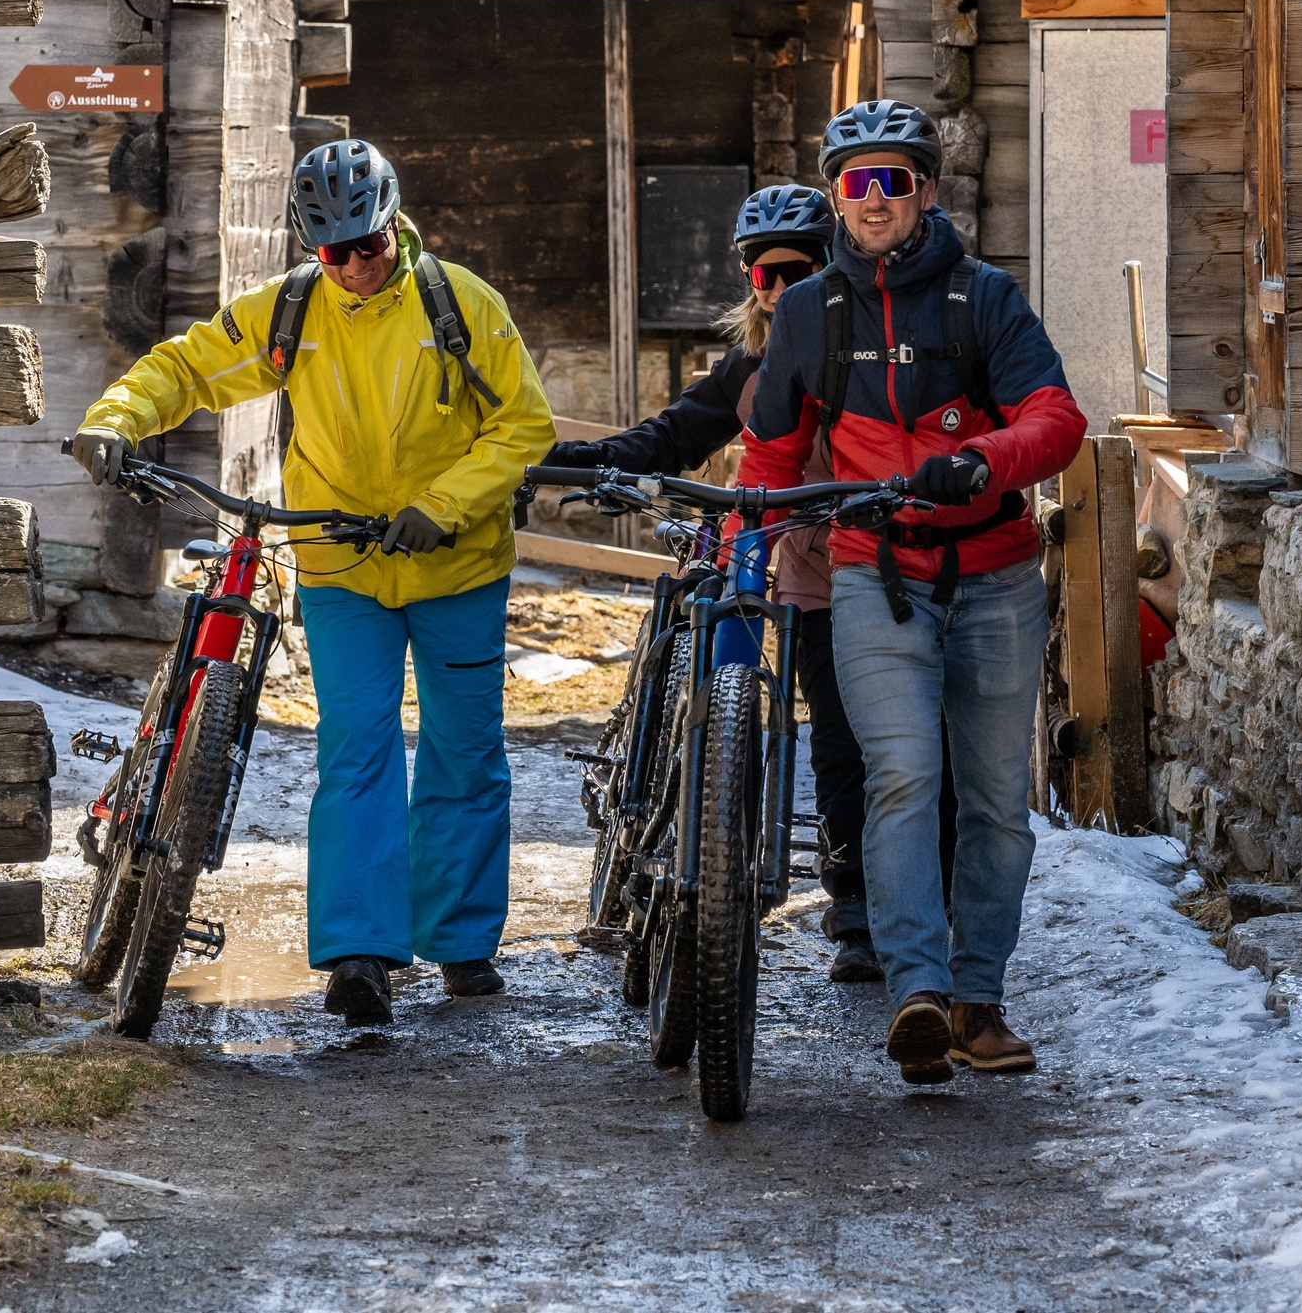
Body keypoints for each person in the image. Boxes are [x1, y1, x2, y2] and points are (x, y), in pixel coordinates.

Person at [71, 140, 554, 1028]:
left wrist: (442, 505)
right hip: (343, 568)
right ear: (308, 249)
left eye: (369, 244)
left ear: (396, 223)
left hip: (458, 565)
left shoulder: (462, 304)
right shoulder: (291, 312)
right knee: (357, 748)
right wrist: (114, 419)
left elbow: (524, 427)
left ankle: (459, 940)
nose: (358, 266)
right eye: (335, 252)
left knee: (464, 752)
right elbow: (186, 367)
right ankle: (359, 953)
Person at [737, 100, 1088, 1083]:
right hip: (871, 577)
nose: (875, 198)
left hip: (995, 575)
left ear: (926, 190)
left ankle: (980, 1001)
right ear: (836, 199)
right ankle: (918, 994)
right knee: (901, 777)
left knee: (996, 802)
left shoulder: (985, 300)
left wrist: (983, 459)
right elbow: (766, 451)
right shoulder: (806, 313)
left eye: (895, 179)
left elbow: (1056, 415)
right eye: (857, 183)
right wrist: (742, 546)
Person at [541, 183, 952, 985]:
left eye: (794, 269)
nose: (776, 288)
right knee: (835, 741)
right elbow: (678, 433)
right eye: (760, 274)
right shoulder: (751, 364)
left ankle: (918, 901)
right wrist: (585, 460)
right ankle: (856, 911)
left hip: (890, 568)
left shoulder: (871, 342)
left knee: (898, 741)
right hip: (809, 575)